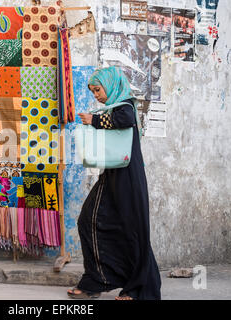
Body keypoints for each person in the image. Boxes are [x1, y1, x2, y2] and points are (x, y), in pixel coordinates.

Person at [67, 66, 161, 300]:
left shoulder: (125, 104)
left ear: (111, 85)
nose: (96, 95)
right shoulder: (115, 107)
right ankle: (98, 280)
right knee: (88, 220)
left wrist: (94, 119)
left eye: (98, 90)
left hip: (128, 177)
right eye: (93, 92)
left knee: (132, 230)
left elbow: (126, 118)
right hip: (113, 174)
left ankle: (138, 288)